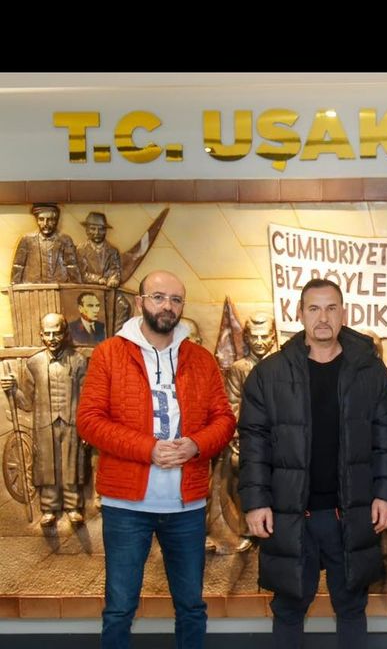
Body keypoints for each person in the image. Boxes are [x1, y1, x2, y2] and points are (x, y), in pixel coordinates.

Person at [76, 270, 236, 649]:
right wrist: (146, 448)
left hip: (186, 506)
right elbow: (89, 421)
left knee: (191, 607)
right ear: (140, 302)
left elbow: (224, 420)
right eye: (159, 297)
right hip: (126, 506)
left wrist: (195, 444)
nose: (168, 306)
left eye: (176, 299)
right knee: (119, 608)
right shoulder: (108, 354)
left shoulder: (201, 359)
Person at [238, 278, 387, 649]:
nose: (323, 318)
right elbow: (253, 443)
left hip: (351, 512)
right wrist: (256, 502)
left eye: (331, 308)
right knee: (289, 608)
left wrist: (385, 495)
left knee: (352, 606)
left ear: (344, 313)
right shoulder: (270, 373)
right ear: (299, 313)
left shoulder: (369, 370)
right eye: (314, 308)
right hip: (291, 514)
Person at [2, 313, 90, 527]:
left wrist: (87, 428)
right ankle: (49, 508)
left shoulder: (78, 361)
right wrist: (12, 390)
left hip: (72, 423)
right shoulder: (34, 363)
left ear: (65, 334)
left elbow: (88, 397)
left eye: (56, 333)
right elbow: (27, 402)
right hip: (44, 425)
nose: (52, 338)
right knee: (46, 466)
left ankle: (73, 507)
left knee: (71, 464)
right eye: (47, 334)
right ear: (41, 335)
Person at [211, 312, 279, 554]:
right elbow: (232, 404)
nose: (259, 342)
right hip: (248, 438)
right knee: (241, 475)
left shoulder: (284, 365)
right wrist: (243, 433)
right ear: (247, 338)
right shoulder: (239, 368)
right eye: (255, 337)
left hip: (279, 439)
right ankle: (246, 528)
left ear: (273, 337)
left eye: (265, 336)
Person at [11, 203, 83, 284]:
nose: (45, 224)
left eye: (50, 220)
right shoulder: (26, 240)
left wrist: (77, 286)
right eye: (41, 219)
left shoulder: (65, 240)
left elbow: (71, 265)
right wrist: (14, 284)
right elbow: (18, 265)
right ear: (37, 220)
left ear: (56, 221)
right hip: (32, 287)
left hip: (59, 287)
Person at [77, 211, 123, 287]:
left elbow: (115, 270)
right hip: (87, 290)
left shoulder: (113, 251)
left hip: (108, 290)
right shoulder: (80, 250)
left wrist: (114, 279)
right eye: (93, 229)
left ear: (105, 231)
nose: (97, 233)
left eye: (101, 229)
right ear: (86, 230)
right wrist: (98, 279)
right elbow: (80, 273)